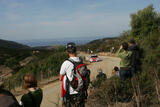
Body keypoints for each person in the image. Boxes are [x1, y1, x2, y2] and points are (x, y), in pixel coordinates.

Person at [60, 42, 87, 107]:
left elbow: (60, 78)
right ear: (76, 50)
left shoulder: (66, 63)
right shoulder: (81, 61)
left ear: (67, 51)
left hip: (71, 93)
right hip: (81, 92)